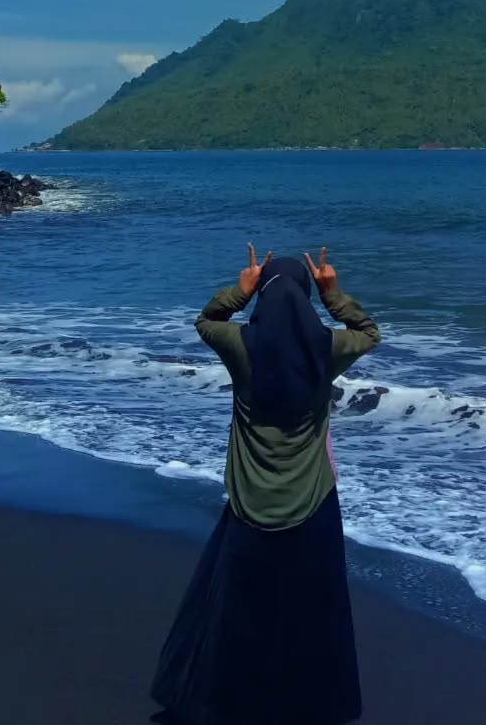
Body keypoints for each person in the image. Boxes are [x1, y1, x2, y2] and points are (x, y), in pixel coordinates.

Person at [151, 244, 381, 725]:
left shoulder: (241, 346)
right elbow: (368, 332)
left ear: (264, 299)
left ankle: (226, 704)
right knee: (308, 611)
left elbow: (205, 322)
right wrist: (332, 294)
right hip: (313, 502)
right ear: (304, 299)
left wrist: (241, 289)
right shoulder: (328, 349)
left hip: (248, 504)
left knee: (239, 611)